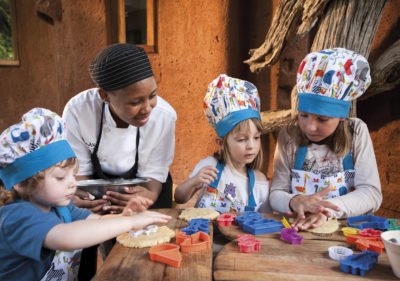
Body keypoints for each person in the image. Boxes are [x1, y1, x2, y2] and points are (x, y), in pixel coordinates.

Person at [0, 108, 171, 281]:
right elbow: (67, 237)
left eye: (73, 175)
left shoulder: (61, 209)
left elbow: (95, 221)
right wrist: (130, 222)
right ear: (21, 183)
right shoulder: (17, 217)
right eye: (60, 177)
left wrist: (125, 216)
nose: (72, 183)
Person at [269, 48, 382, 230]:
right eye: (304, 115)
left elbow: (371, 194)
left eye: (322, 119)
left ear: (342, 117)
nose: (310, 127)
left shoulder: (357, 132)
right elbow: (276, 194)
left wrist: (326, 211)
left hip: (344, 230)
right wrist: (294, 201)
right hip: (299, 229)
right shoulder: (289, 135)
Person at [62, 43, 176, 214]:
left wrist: (148, 196)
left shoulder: (164, 116)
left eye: (152, 96)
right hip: (97, 191)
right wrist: (84, 200)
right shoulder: (79, 110)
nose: (147, 108)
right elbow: (80, 172)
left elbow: (155, 170)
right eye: (135, 102)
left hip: (148, 186)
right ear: (105, 96)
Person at [174, 74, 271, 213]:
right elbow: (179, 198)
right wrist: (194, 181)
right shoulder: (210, 166)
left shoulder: (259, 181)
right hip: (205, 234)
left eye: (256, 137)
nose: (251, 145)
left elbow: (265, 219)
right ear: (221, 143)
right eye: (242, 139)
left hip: (238, 236)